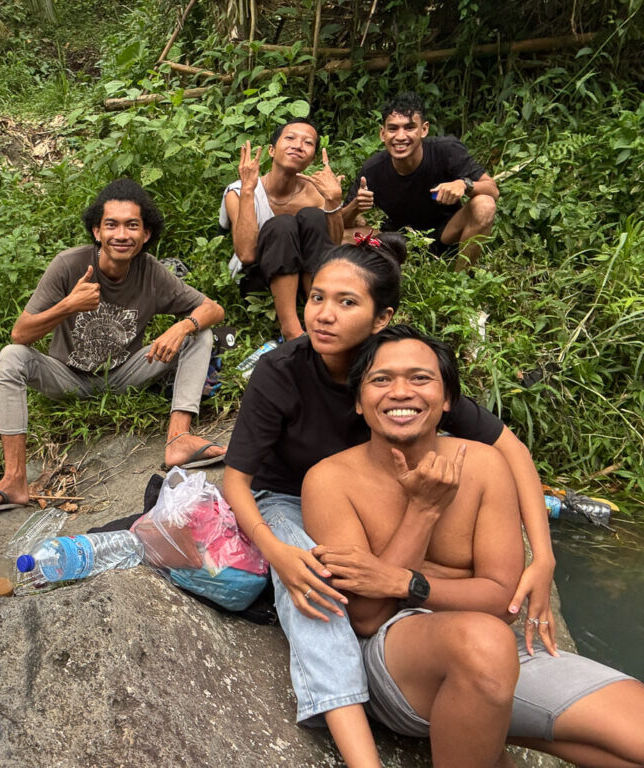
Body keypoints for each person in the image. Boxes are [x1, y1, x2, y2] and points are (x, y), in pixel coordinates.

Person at [220, 233, 557, 768]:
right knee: (312, 583)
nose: (323, 315)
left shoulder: (401, 374)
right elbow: (235, 478)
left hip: (370, 497)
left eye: (346, 302)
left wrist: (544, 555)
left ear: (381, 317)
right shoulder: (282, 371)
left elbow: (509, 449)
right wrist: (276, 551)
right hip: (285, 496)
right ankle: (360, 753)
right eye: (316, 297)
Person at [302, 325, 644, 767]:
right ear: (358, 400)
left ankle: (479, 727)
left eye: (421, 378)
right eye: (380, 379)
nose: (400, 392)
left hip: (501, 652)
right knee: (481, 641)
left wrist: (403, 580)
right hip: (394, 660)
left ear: (446, 399)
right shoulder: (330, 481)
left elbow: (503, 601)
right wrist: (423, 512)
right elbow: (367, 615)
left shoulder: (482, 466)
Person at [0, 178, 226, 512]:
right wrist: (67, 306)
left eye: (132, 226)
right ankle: (14, 478)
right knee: (11, 357)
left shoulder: (151, 271)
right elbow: (20, 334)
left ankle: (177, 438)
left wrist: (182, 325)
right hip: (66, 377)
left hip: (126, 372)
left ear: (145, 235)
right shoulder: (69, 265)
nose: (121, 234)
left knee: (199, 333)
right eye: (111, 225)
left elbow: (213, 308)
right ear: (96, 231)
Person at [219, 118, 345, 340]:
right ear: (271, 150)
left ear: (312, 159)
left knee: (313, 216)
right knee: (283, 224)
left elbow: (331, 248)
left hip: (303, 282)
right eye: (290, 138)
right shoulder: (237, 191)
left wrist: (334, 201)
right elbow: (246, 254)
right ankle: (292, 329)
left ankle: (317, 309)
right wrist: (249, 190)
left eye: (307, 143)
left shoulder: (314, 194)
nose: (298, 145)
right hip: (257, 281)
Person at [342, 92, 499, 269]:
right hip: (399, 239)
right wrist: (356, 206)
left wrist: (464, 184)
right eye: (393, 129)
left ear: (424, 129)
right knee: (339, 236)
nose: (400, 136)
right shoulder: (373, 168)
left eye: (409, 128)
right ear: (383, 134)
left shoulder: (446, 151)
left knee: (485, 204)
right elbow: (342, 224)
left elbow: (492, 190)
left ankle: (461, 278)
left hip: (447, 233)